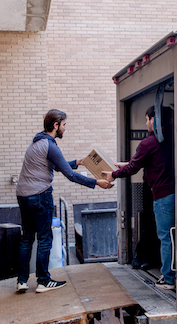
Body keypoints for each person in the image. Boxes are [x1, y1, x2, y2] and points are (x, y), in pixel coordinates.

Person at [16, 109, 113, 294]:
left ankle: (22, 281)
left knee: (27, 238)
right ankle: (43, 281)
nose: (65, 129)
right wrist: (96, 182)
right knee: (45, 238)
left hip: (23, 195)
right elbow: (69, 175)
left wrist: (78, 161)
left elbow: (57, 166)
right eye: (64, 125)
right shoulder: (50, 146)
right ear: (56, 125)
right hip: (39, 196)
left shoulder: (37, 141)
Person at [104, 106, 175, 289]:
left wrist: (114, 174)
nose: (146, 123)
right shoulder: (173, 139)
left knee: (165, 236)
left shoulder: (148, 142)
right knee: (174, 236)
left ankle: (168, 278)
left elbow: (134, 168)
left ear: (154, 119)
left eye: (147, 119)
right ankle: (174, 272)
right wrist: (124, 165)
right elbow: (147, 161)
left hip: (162, 196)